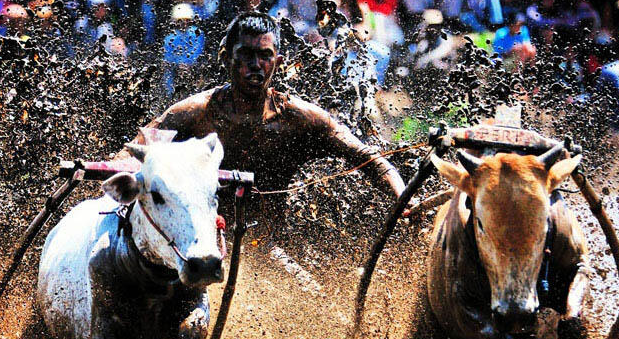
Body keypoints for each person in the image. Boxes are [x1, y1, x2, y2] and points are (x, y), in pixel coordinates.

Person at [124, 12, 407, 203]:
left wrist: (405, 200)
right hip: (198, 244)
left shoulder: (297, 117)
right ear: (225, 58)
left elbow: (368, 158)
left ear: (278, 63)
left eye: (264, 56)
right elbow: (132, 154)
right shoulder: (195, 114)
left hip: (271, 250)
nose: (255, 65)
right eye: (245, 55)